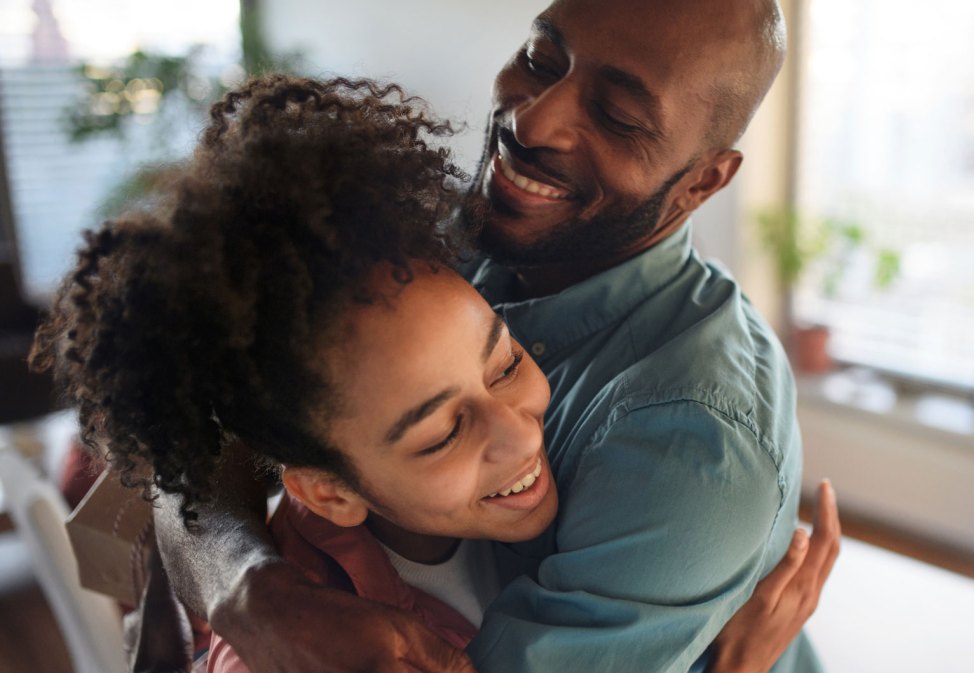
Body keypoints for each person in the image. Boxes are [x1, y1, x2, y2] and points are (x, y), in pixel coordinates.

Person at [152, 0, 842, 671]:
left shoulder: (693, 440)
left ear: (702, 182)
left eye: (618, 116)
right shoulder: (433, 245)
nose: (533, 119)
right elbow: (205, 411)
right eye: (543, 58)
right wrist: (249, 589)